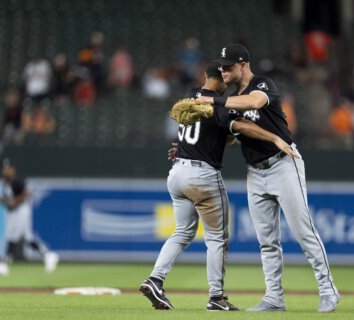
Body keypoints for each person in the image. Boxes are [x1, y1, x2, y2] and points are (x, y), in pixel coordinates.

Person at [139, 61, 296, 312]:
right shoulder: (219, 104)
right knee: (216, 239)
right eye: (225, 79)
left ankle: (155, 279)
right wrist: (275, 136)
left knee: (182, 232)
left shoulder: (190, 96)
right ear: (222, 81)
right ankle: (216, 297)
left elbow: (212, 134)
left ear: (204, 76)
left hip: (177, 171)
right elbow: (240, 126)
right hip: (202, 177)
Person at [197, 44, 340, 313]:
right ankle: (274, 297)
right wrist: (188, 147)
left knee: (303, 232)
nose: (223, 71)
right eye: (222, 67)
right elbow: (229, 136)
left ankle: (328, 290)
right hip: (255, 171)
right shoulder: (228, 99)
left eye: (228, 67)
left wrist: (213, 100)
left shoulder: (263, 84)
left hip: (284, 164)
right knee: (267, 240)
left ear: (242, 65)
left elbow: (253, 102)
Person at [0, 159, 59, 276]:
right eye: (4, 169)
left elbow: (27, 192)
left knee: (14, 237)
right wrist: (4, 200)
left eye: (8, 168)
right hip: (14, 212)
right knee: (24, 238)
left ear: (13, 169)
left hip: (20, 211)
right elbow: (10, 202)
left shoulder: (16, 181)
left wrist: (14, 201)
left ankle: (4, 264)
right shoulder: (7, 183)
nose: (5, 171)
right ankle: (47, 255)